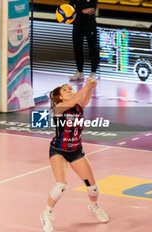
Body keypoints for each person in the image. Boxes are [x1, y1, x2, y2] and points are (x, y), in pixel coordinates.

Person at [40, 79, 109, 232]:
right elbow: (76, 98)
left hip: (76, 150)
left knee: (93, 188)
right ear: (59, 97)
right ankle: (46, 214)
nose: (70, 90)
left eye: (71, 88)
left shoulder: (78, 107)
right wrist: (85, 85)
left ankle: (94, 207)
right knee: (61, 185)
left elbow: (84, 98)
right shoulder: (59, 108)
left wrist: (90, 87)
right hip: (59, 150)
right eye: (65, 90)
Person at [69, 0, 99, 81]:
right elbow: (70, 8)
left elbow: (92, 10)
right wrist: (82, 10)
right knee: (77, 48)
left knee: (93, 48)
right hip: (77, 25)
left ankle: (93, 72)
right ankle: (79, 71)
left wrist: (78, 9)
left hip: (90, 25)